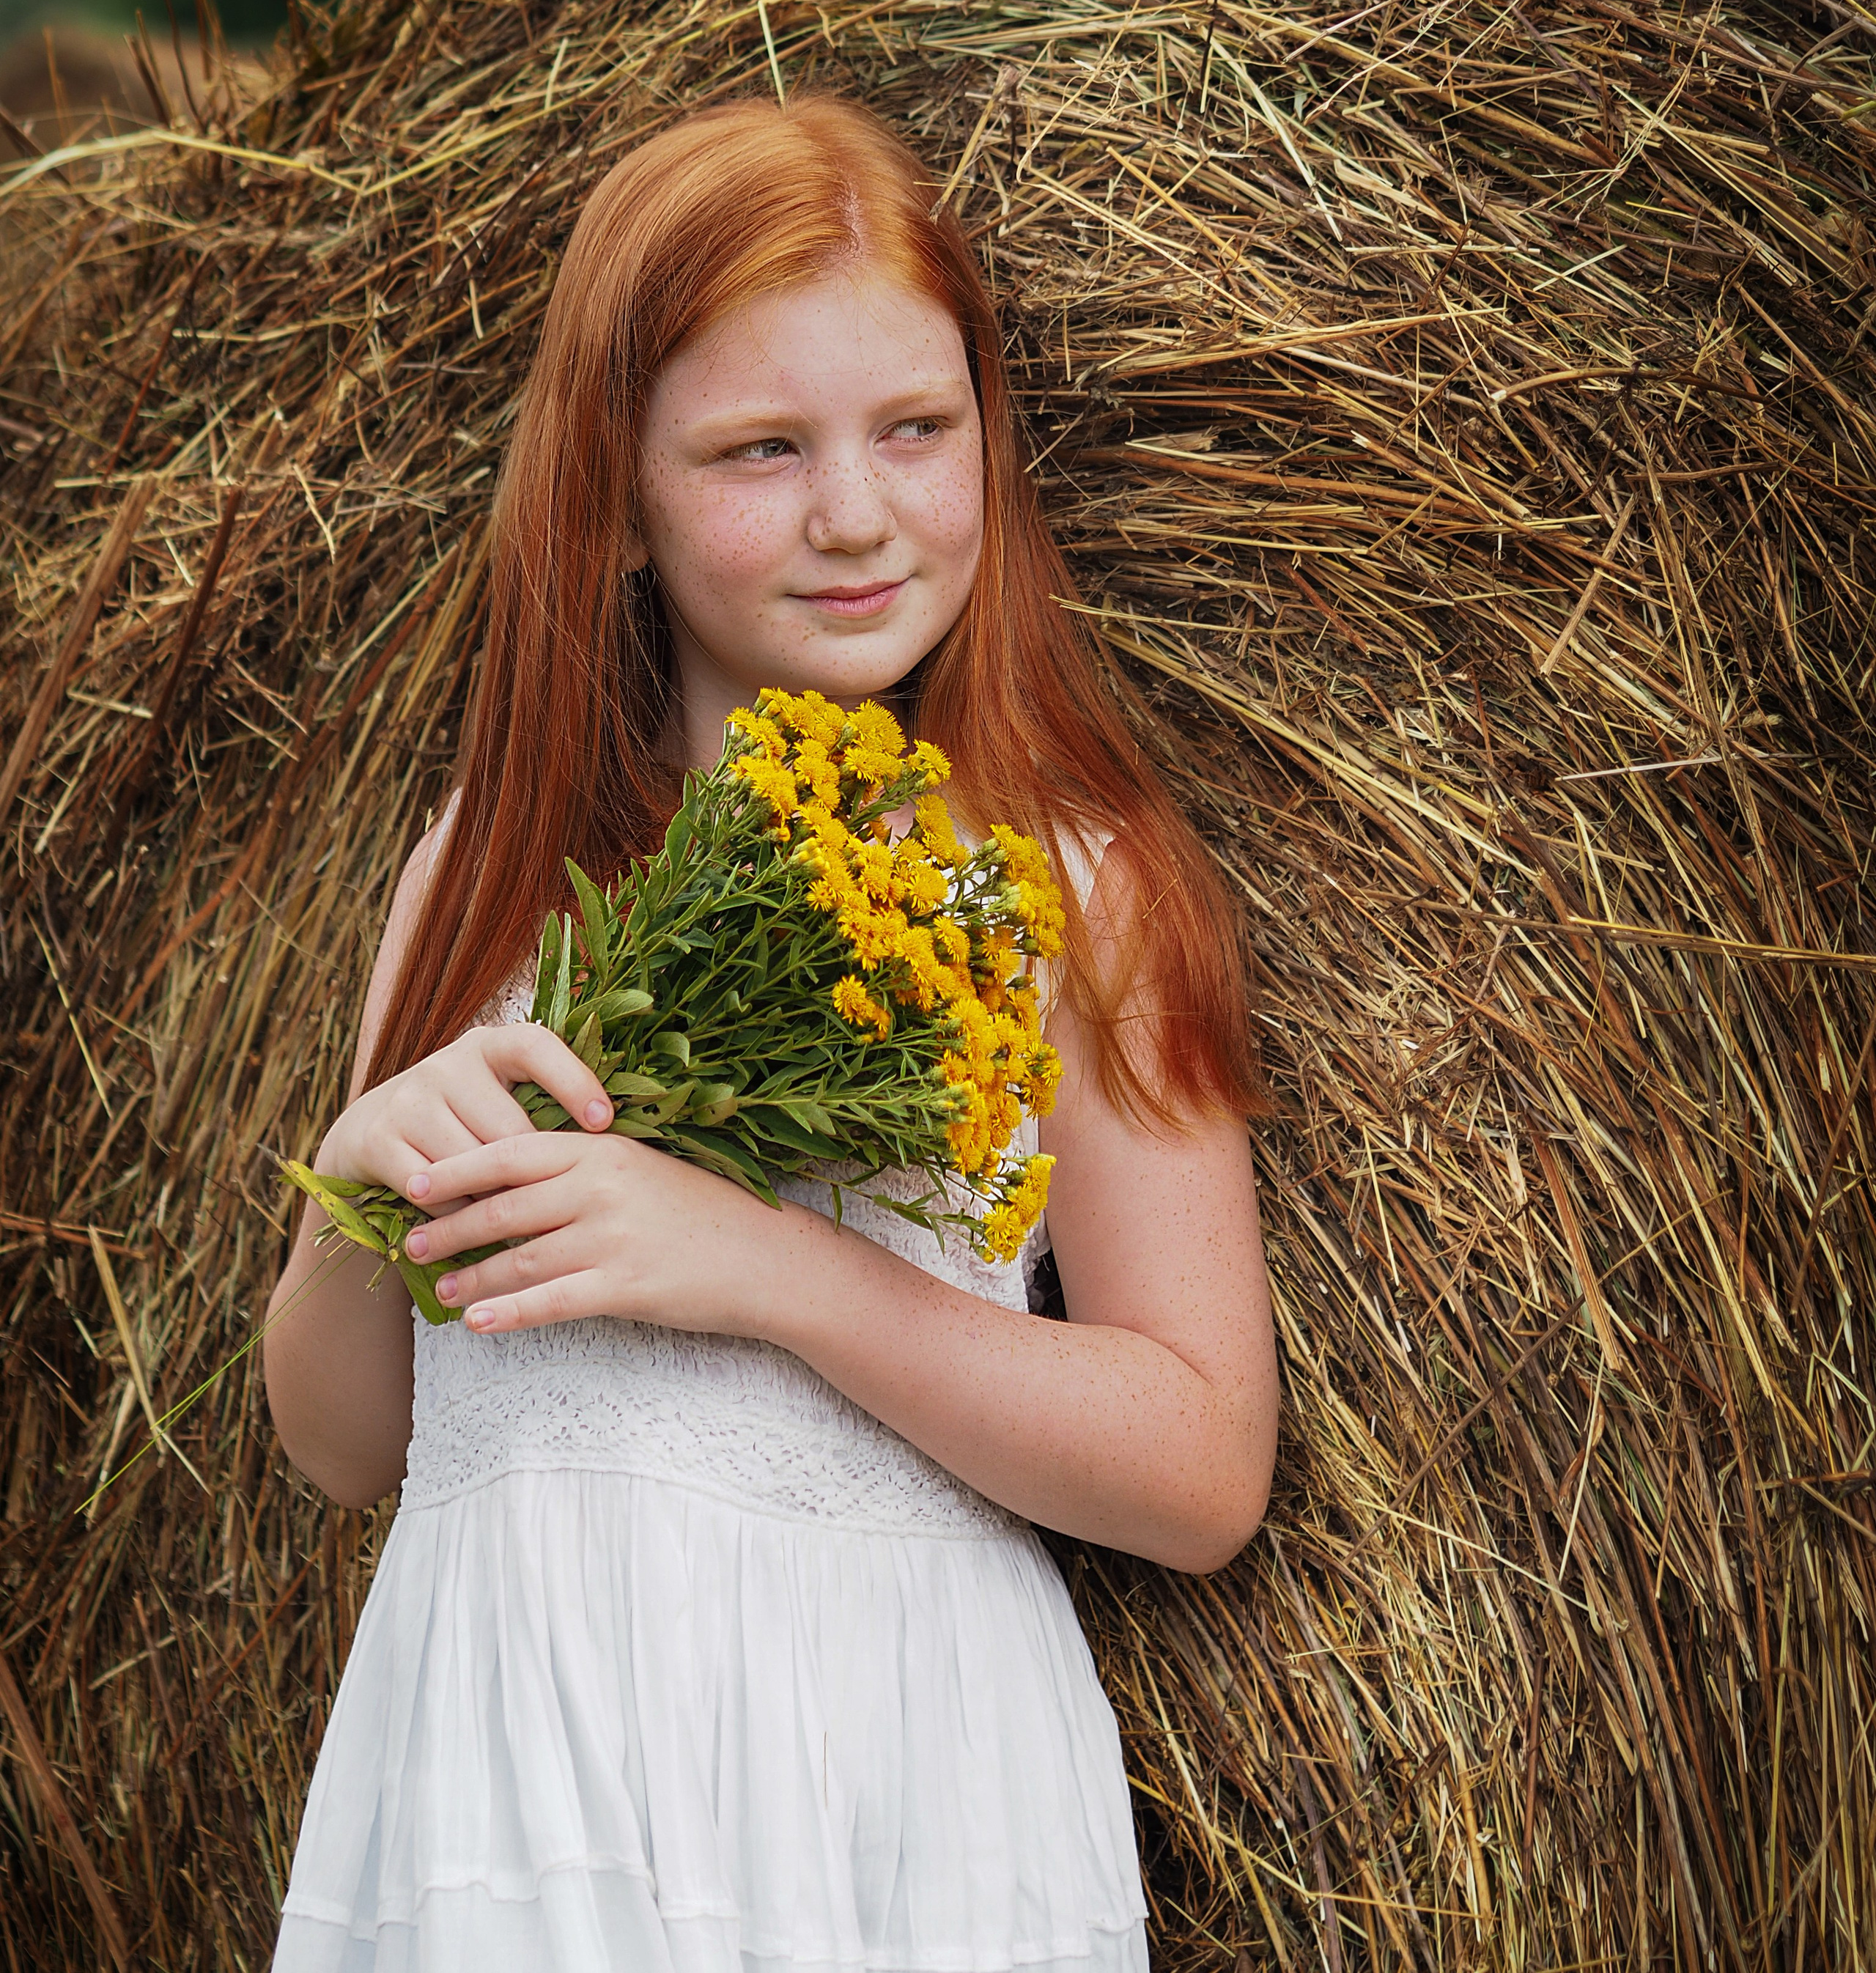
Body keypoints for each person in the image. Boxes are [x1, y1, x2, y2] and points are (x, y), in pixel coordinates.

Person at [264, 95, 1277, 1972]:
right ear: (620, 502)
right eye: (756, 448)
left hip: (879, 1785)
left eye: (915, 429)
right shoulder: (479, 882)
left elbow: (1205, 1462)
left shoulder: (1063, 884)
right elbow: (343, 1446)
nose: (853, 512)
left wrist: (772, 1273)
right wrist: (357, 1192)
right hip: (515, 1762)